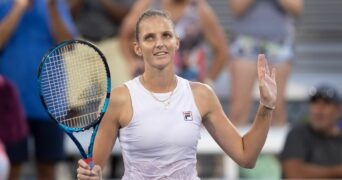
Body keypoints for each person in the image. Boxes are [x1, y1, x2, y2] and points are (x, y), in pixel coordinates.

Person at [76, 9, 277, 179]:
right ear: (137, 48)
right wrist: (88, 174)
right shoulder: (120, 98)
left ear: (176, 43)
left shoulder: (201, 95)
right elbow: (95, 170)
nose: (159, 43)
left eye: (166, 35)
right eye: (149, 38)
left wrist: (266, 106)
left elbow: (246, 156)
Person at [0, 0, 77, 179]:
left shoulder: (55, 5)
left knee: (48, 167)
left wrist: (52, 8)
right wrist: (18, 7)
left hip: (49, 102)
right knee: (10, 167)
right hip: (9, 105)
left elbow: (68, 45)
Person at [228, 0, 304, 126]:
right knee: (238, 110)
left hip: (278, 43)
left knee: (277, 109)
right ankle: (237, 145)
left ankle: (278, 145)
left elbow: (296, 9)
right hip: (246, 44)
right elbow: (237, 7)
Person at [120, 0, 228, 83]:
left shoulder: (200, 10)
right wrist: (131, 62)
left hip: (189, 85)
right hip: (151, 84)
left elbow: (221, 50)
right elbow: (125, 35)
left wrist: (209, 82)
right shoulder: (149, 4)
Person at [68, 0, 135, 87]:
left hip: (112, 45)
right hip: (82, 46)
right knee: (78, 96)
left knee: (123, 90)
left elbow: (126, 14)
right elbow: (65, 14)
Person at [280, 84, 342, 179]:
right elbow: (293, 174)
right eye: (315, 103)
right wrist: (337, 172)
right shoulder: (298, 134)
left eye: (326, 104)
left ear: (338, 110)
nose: (319, 110)